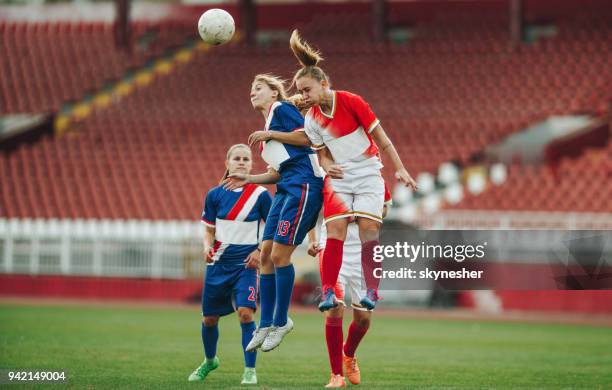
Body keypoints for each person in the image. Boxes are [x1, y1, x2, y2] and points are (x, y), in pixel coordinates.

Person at [289, 29, 417, 311]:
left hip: (368, 171)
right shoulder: (311, 119)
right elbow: (321, 155)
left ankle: (372, 291)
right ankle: (326, 293)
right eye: (300, 92)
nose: (304, 96)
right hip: (339, 177)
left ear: (323, 84)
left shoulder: (351, 101)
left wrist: (400, 169)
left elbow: (381, 138)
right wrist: (326, 164)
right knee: (335, 229)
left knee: (369, 230)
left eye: (307, 89)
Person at [224, 74, 324, 352]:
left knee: (280, 255)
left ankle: (282, 321)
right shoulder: (269, 121)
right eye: (251, 88)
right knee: (265, 254)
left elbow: (307, 138)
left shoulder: (281, 109)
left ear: (273, 93)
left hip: (303, 185)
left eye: (258, 88)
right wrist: (248, 179)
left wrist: (270, 134)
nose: (252, 92)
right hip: (285, 187)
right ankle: (265, 323)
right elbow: (277, 172)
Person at [188, 144, 272, 385]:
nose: (242, 162)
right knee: (209, 320)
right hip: (217, 265)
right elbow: (209, 229)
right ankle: (210, 360)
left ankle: (249, 371)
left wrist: (258, 250)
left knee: (245, 314)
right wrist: (206, 247)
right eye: (237, 158)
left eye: (246, 159)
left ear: (251, 164)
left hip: (246, 267)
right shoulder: (214, 194)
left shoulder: (260, 195)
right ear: (227, 163)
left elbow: (272, 227)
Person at [308, 185, 392, 388]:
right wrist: (312, 239)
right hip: (332, 245)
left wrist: (361, 214)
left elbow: (385, 209)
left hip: (363, 249)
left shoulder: (371, 174)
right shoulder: (328, 175)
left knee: (363, 319)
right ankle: (336, 375)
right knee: (334, 308)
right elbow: (310, 210)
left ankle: (349, 353)